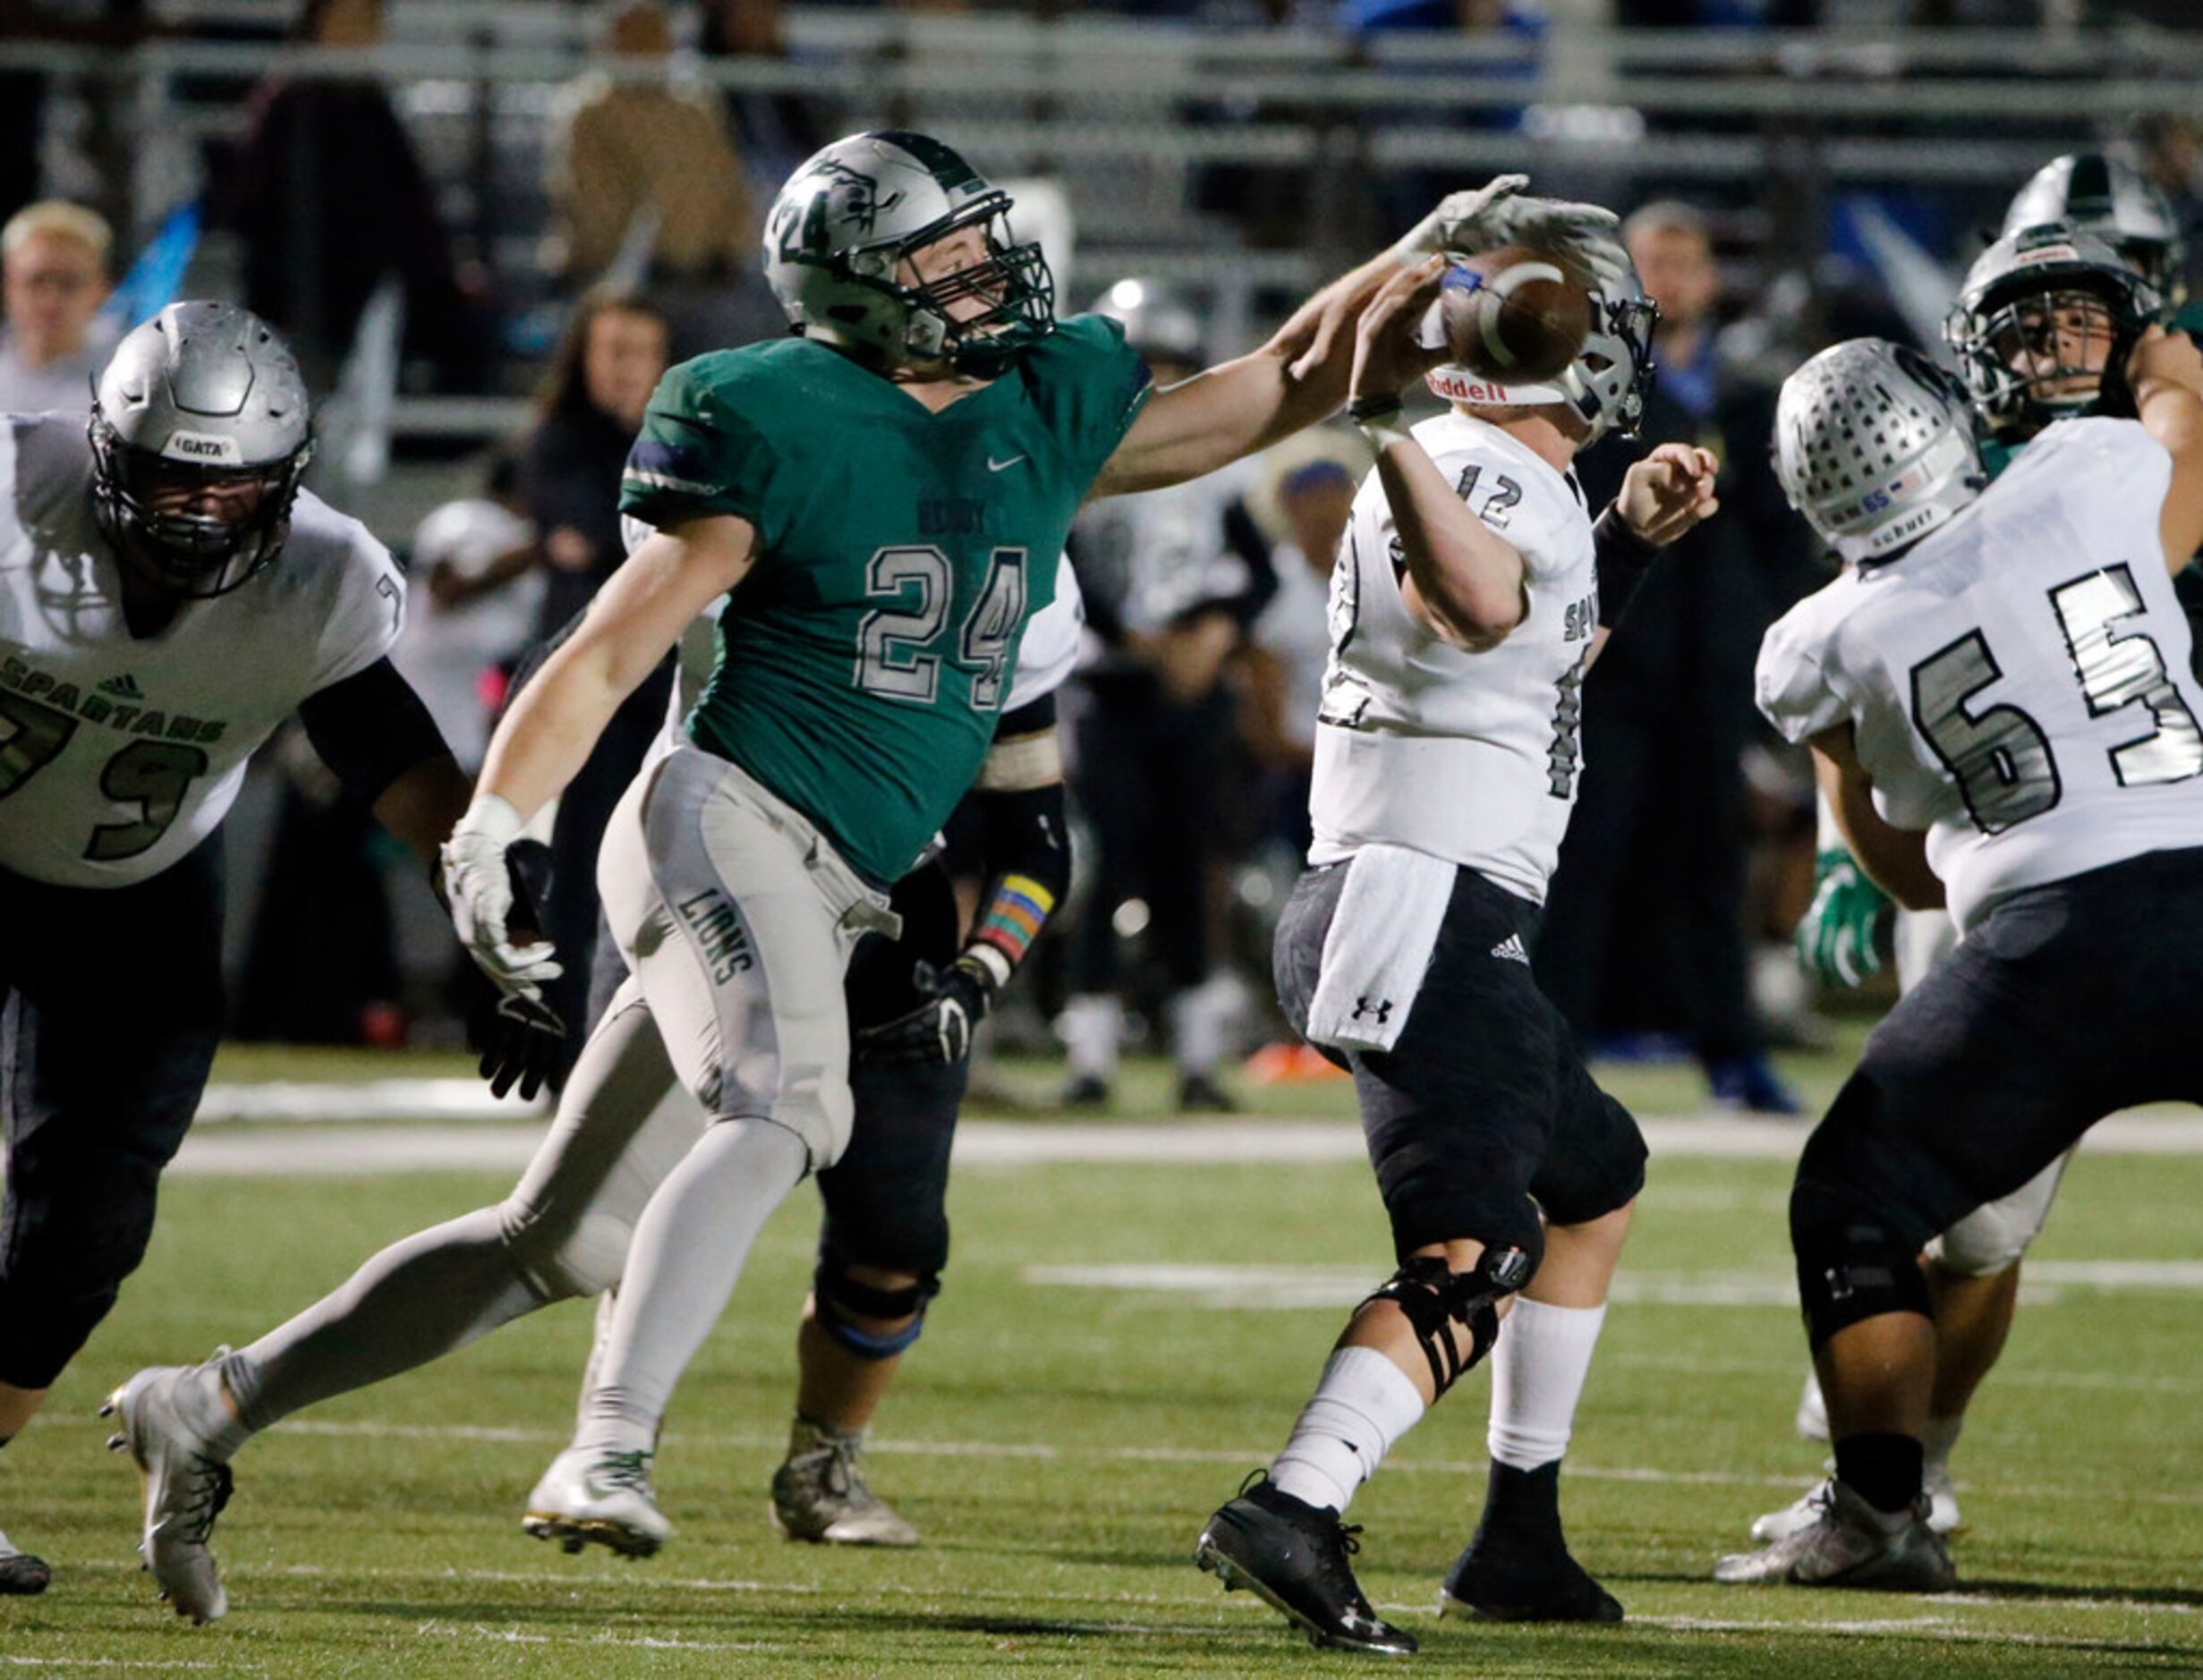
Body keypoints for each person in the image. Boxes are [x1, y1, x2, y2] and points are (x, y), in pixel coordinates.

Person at [106, 133, 1497, 1613]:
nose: (989, 266)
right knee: (790, 1105)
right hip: (724, 813)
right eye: (945, 253)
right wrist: (497, 819)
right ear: (855, 286)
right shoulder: (762, 411)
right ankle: (606, 1448)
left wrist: (1407, 255)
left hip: (846, 870)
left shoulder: (1042, 396)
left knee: (560, 1235)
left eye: (980, 239)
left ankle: (207, 1403)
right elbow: (608, 648)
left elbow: (1283, 377)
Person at [1195, 216, 1722, 1654]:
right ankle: (1293, 1502)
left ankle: (1516, 1531)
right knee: (1475, 1248)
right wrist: (1377, 423)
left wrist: (1626, 539)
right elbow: (1481, 604)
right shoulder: (1477, 464)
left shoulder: (1514, 475)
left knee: (1593, 1173)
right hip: (1415, 898)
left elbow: (1540, 656)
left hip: (1437, 901)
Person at [0, 301, 553, 1606]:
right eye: (171, 477)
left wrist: (510, 941)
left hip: (129, 886)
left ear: (288, 477)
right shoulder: (11, 491)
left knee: (82, 1228)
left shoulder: (323, 575)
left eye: (231, 481)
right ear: (104, 452)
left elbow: (401, 766)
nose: (197, 512)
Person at [1714, 323, 2203, 1591]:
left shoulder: (1816, 639)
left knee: (1854, 1202)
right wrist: (2158, 351)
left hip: (2047, 940)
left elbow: (1894, 861)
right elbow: (2182, 437)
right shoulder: (2087, 468)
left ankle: (1879, 1514)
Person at [1532, 199, 1799, 1114]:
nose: (1671, 280)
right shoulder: (1586, 391)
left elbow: (1780, 533)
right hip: (1609, 659)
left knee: (1709, 862)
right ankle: (1555, 1053)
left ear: (1712, 280)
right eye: (1652, 261)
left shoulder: (1749, 392)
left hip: (1709, 666)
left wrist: (1759, 631)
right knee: (1583, 856)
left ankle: (1730, 1051)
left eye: (1686, 261)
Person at [1059, 276, 1276, 1112]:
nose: (1157, 380)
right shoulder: (1082, 453)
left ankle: (1194, 1059)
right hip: (1105, 688)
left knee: (1192, 868)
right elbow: (1061, 565)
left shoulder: (1214, 469)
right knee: (1105, 866)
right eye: (1141, 363)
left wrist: (1214, 631)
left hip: (1186, 694)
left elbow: (1255, 574)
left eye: (1170, 364)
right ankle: (1091, 1057)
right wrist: (1134, 639)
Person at [0, 200, 115, 415]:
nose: (50, 299)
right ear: (9, 285)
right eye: (36, 280)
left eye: (69, 282)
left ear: (101, 290)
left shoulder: (125, 382)